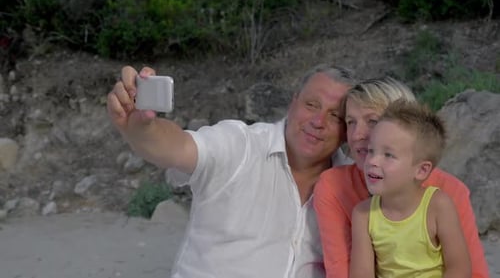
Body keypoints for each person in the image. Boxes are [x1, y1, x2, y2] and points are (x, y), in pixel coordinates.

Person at [107, 64, 357, 278]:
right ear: (293, 102)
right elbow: (178, 146)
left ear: (348, 129)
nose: (318, 122)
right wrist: (142, 129)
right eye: (312, 105)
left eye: (335, 116)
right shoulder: (240, 145)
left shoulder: (354, 186)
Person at [313, 77, 489, 278]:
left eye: (372, 121)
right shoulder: (338, 190)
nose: (356, 135)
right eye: (351, 122)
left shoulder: (447, 193)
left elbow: (471, 272)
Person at [349, 100, 471, 278]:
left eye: (388, 155)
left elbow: (460, 269)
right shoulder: (363, 214)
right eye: (371, 151)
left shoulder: (438, 206)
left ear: (421, 170)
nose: (372, 161)